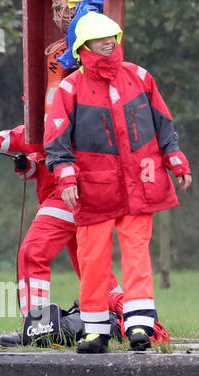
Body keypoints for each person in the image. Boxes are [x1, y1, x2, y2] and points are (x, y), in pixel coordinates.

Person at [0, 0, 129, 343]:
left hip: (73, 184)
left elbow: (53, 127)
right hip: (70, 180)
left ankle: (37, 327)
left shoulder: (79, 68)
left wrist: (4, 141)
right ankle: (126, 313)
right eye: (56, 5)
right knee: (89, 264)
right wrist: (21, 158)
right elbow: (46, 127)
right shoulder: (57, 55)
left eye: (67, 6)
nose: (60, 12)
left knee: (33, 253)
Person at [45, 12, 191, 354]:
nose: (109, 43)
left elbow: (163, 123)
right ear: (83, 47)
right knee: (93, 258)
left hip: (140, 183)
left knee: (137, 252)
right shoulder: (70, 88)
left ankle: (139, 324)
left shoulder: (139, 76)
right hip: (94, 189)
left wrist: (176, 160)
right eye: (100, 39)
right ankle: (96, 332)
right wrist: (65, 176)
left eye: (112, 36)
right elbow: (57, 140)